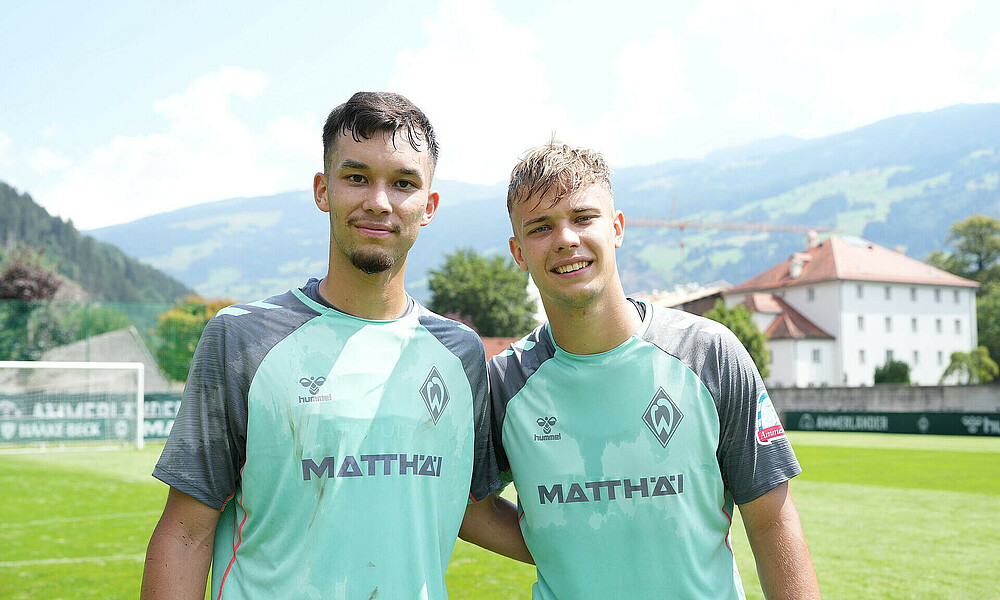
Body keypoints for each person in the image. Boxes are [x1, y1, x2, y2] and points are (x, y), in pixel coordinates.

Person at [141, 91, 527, 600]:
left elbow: (470, 506)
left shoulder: (460, 352)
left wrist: (608, 531)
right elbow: (186, 532)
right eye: (357, 177)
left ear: (428, 206)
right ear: (323, 190)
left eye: (404, 184)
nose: (379, 201)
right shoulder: (243, 338)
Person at [488, 141, 821, 599]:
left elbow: (771, 521)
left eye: (583, 218)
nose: (565, 238)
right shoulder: (505, 382)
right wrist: (564, 542)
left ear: (618, 228)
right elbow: (463, 504)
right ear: (518, 251)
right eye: (541, 227)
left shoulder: (709, 354)